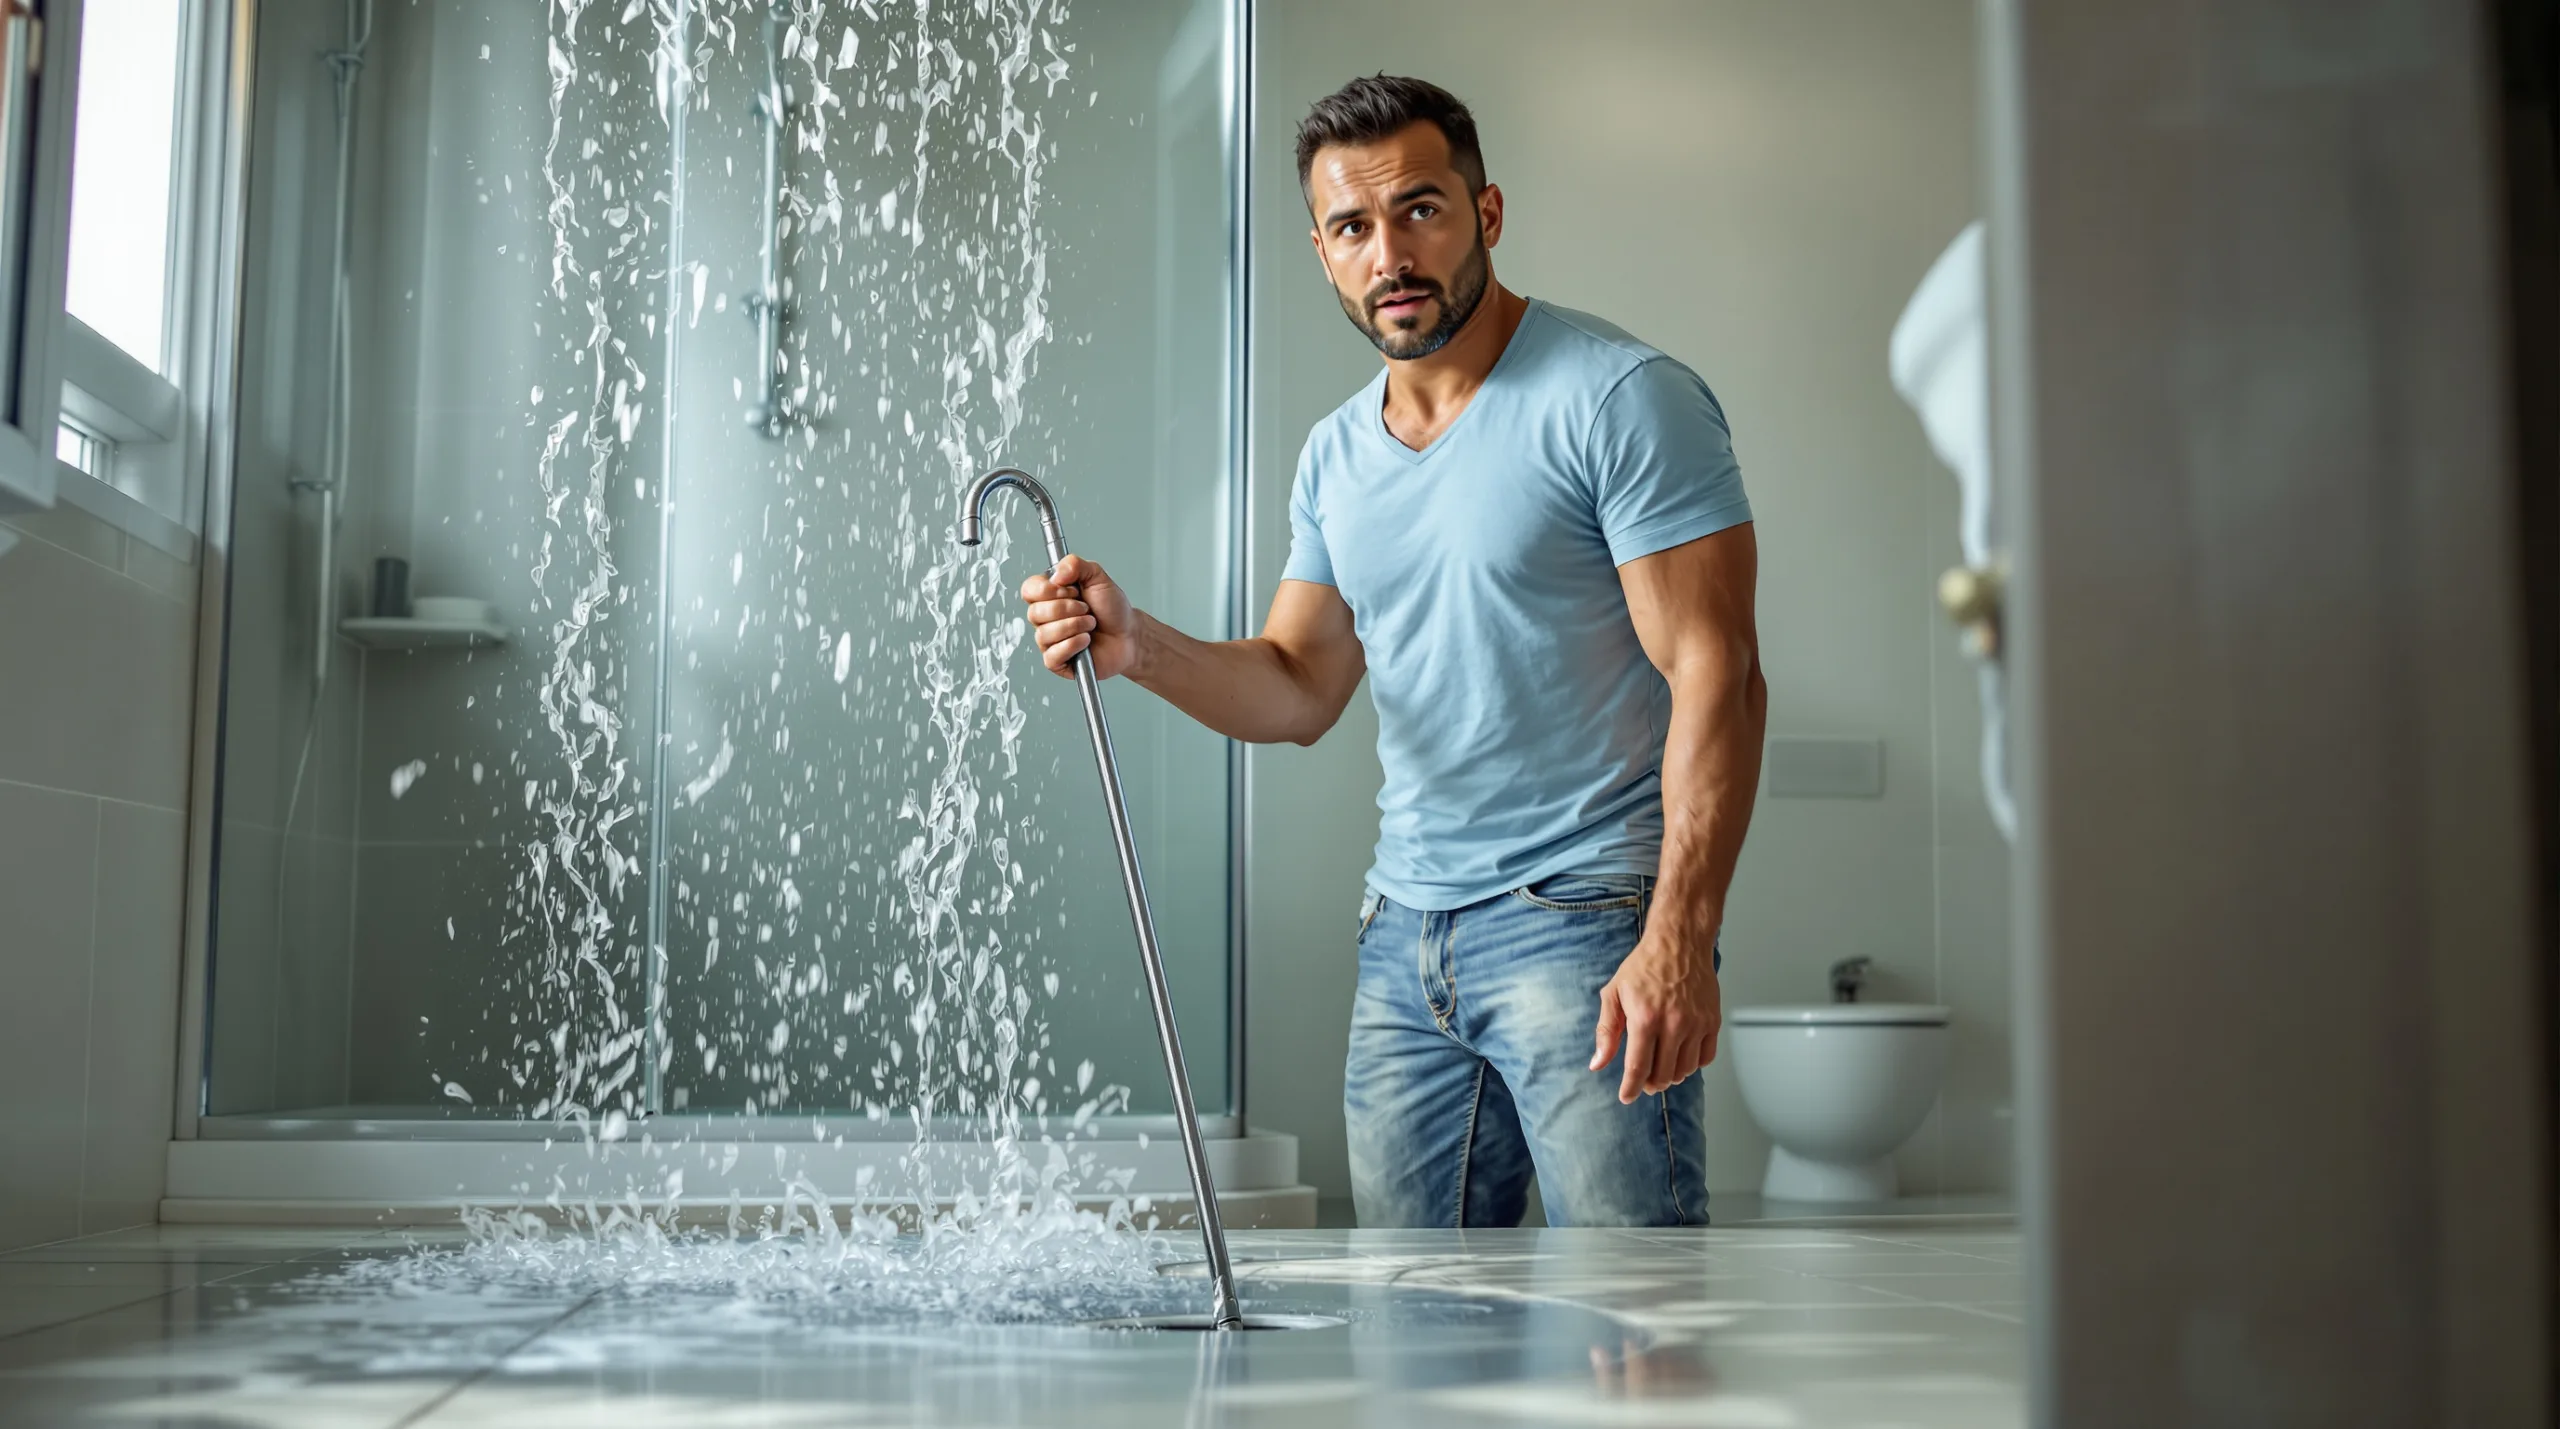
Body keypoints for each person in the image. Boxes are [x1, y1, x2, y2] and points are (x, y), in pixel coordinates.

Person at [1017, 75, 1765, 1227]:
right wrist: (1136, 647)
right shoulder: (1334, 456)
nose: (1390, 254)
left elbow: (1716, 671)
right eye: (1354, 228)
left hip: (1583, 928)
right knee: (1416, 1340)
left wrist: (1679, 936)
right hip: (1405, 948)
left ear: (1487, 212)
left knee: (1633, 1328)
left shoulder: (1619, 398)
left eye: (1420, 209)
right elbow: (1301, 683)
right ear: (1320, 250)